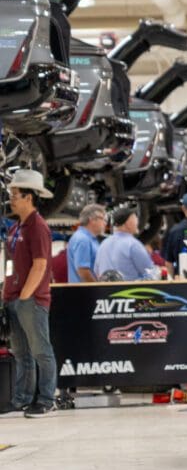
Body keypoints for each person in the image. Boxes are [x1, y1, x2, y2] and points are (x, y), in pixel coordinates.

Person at [0, 169, 59, 418]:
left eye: (15, 194)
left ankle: (46, 399)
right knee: (21, 353)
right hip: (13, 298)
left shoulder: (38, 227)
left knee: (40, 350)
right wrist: (6, 295)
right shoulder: (16, 228)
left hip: (31, 300)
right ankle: (21, 399)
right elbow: (10, 264)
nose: (11, 199)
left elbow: (41, 264)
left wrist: (25, 296)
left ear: (29, 197)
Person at [94, 208, 156, 281]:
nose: (137, 222)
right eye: (135, 218)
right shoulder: (133, 245)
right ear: (128, 223)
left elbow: (97, 272)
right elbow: (150, 273)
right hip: (130, 291)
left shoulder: (103, 244)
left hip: (106, 291)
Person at [66, 204, 107, 282]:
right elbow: (83, 271)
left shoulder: (88, 238)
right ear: (91, 219)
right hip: (86, 292)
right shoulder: (83, 239)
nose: (105, 223)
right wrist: (98, 288)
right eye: (103, 219)